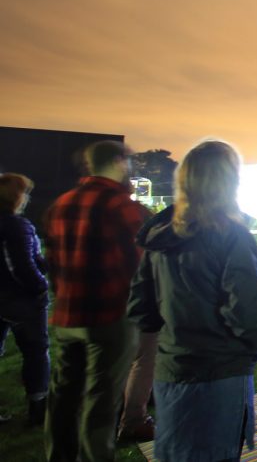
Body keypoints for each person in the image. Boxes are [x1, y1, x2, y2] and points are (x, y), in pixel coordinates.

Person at [126, 140, 257, 461]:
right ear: (228, 181)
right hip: (220, 371)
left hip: (172, 370)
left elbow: (141, 309)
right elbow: (248, 315)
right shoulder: (231, 236)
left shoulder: (159, 236)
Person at [43, 140, 149, 462]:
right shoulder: (122, 206)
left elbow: (51, 262)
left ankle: (59, 455)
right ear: (118, 162)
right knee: (101, 402)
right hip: (109, 316)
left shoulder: (61, 203)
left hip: (67, 315)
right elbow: (141, 266)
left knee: (63, 398)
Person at [0, 173, 50, 427]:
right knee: (35, 352)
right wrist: (41, 288)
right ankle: (38, 406)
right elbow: (22, 266)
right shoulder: (16, 226)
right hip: (20, 300)